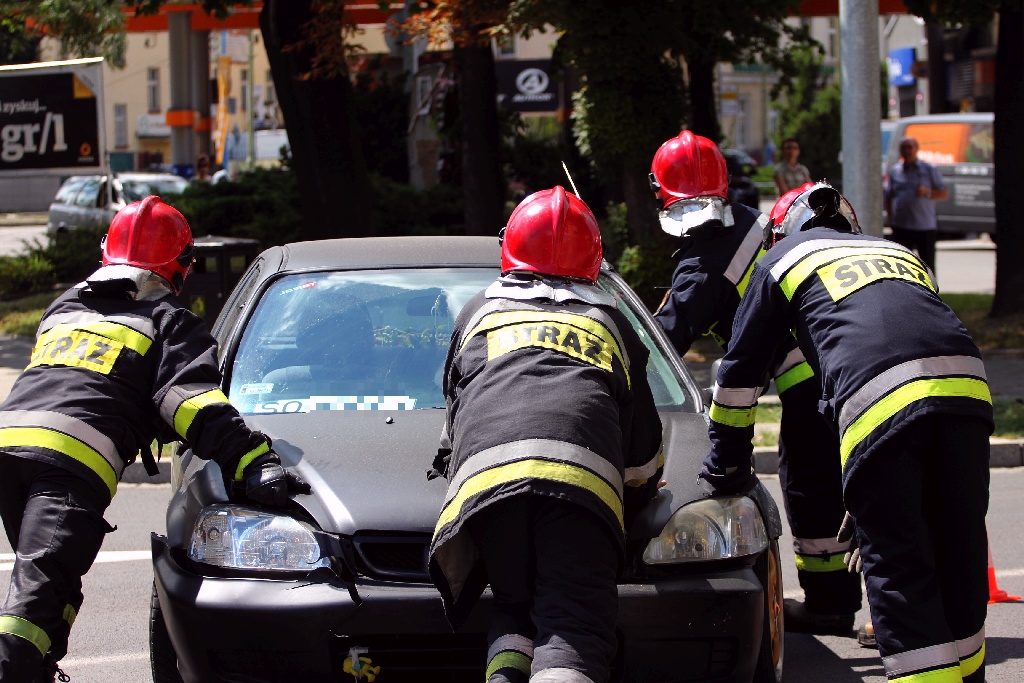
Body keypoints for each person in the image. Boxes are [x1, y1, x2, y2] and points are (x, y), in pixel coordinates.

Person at [0, 196, 309, 682]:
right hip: (68, 466)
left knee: (49, 585)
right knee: (33, 603)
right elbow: (189, 404)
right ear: (181, 266)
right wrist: (254, 461)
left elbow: (87, 379)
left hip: (9, 449)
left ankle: (37, 669)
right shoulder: (168, 320)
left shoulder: (65, 304)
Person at [704, 182, 992, 683]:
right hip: (967, 395)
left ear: (783, 231)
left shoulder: (783, 260)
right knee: (958, 555)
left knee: (900, 568)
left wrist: (726, 467)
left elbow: (738, 377)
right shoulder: (899, 252)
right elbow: (906, 328)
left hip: (882, 406)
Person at [428, 186, 664, 683]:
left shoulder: (478, 313)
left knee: (514, 606)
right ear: (593, 261)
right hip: (578, 494)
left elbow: (453, 422)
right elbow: (642, 454)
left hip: (488, 493)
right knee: (573, 623)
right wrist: (636, 503)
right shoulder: (610, 322)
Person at [650, 131, 861, 634]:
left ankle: (831, 608)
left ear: (665, 196)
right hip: (839, 367)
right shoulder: (746, 221)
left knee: (813, 487)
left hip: (813, 382)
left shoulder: (706, 263)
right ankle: (839, 602)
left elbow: (664, 341)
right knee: (841, 485)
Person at [884, 136, 949, 273]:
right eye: (904, 147)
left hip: (924, 226)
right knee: (902, 265)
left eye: (910, 147)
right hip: (901, 226)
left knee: (927, 266)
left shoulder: (929, 169)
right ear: (900, 151)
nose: (907, 151)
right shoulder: (895, 171)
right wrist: (891, 219)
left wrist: (928, 192)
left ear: (916, 149)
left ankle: (929, 293)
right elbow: (888, 197)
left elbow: (944, 194)